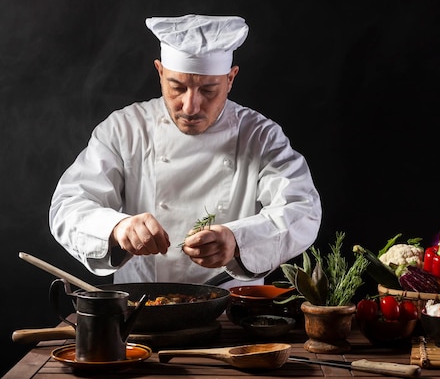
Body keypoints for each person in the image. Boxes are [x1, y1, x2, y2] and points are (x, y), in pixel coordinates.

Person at [49, 14, 322, 288]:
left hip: (231, 310)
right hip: (142, 309)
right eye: (177, 87)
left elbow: (303, 209)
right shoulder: (124, 129)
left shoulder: (260, 136)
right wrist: (117, 228)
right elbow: (68, 205)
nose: (190, 106)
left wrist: (238, 240)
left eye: (208, 90)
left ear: (230, 79)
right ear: (159, 72)